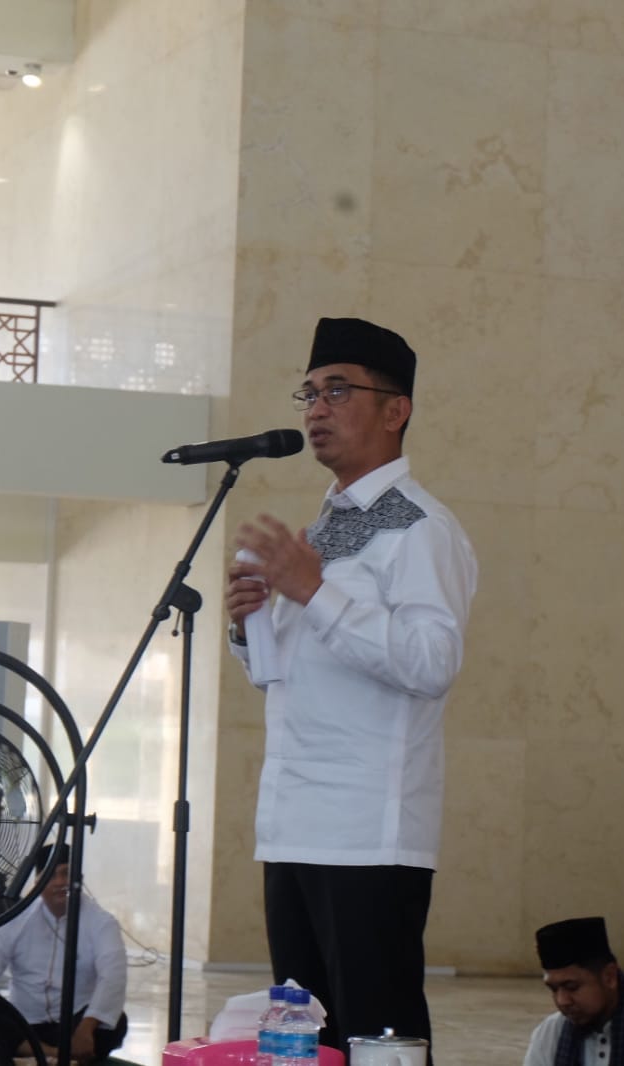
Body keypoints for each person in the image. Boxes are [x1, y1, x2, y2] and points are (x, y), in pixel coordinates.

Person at [225, 317, 478, 1051]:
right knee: (303, 1041)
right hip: (294, 822)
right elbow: (288, 676)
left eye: (338, 391)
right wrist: (249, 625)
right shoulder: (327, 528)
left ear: (396, 410)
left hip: (368, 835)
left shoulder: (420, 528)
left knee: (377, 1041)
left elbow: (432, 662)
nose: (316, 408)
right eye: (309, 392)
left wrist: (312, 591)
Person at [0, 843, 128, 1064]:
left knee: (116, 1022)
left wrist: (87, 1027)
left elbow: (112, 977)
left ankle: (36, 1057)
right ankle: (56, 1056)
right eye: (51, 876)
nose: (60, 882)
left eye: (66, 874)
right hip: (25, 1024)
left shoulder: (101, 923)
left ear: (79, 879)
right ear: (38, 883)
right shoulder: (18, 919)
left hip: (75, 1025)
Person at [523, 917, 624, 1066]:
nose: (562, 1001)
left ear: (609, 977)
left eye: (572, 987)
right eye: (553, 989)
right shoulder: (549, 1036)